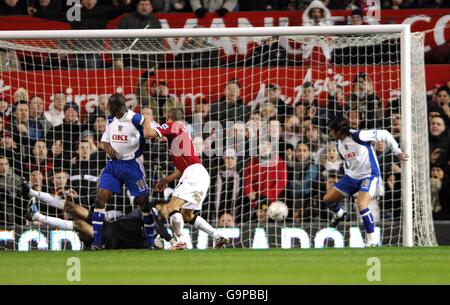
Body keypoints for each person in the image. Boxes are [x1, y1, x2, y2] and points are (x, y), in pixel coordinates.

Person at [143, 108, 230, 249]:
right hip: (200, 175)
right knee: (187, 214)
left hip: (193, 174)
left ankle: (181, 241)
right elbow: (180, 169)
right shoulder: (182, 131)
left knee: (172, 207)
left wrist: (146, 120)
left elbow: (148, 134)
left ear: (168, 116)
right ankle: (217, 236)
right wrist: (166, 180)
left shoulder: (171, 125)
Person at [323, 117, 409, 246]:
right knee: (327, 199)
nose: (330, 133)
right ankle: (340, 214)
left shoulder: (359, 135)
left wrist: (397, 151)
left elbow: (384, 134)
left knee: (362, 205)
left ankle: (372, 241)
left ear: (338, 131)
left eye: (331, 131)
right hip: (351, 177)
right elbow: (348, 163)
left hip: (369, 176)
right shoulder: (338, 144)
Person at [91, 94, 155, 250]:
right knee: (100, 199)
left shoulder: (134, 118)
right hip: (112, 166)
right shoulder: (111, 120)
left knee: (143, 203)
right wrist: (108, 149)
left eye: (110, 106)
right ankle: (97, 243)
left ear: (117, 107)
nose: (107, 109)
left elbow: (150, 125)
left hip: (132, 165)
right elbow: (104, 141)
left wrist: (151, 131)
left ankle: (151, 241)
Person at [22, 183, 174, 249]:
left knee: (79, 224)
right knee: (73, 207)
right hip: (109, 226)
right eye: (168, 208)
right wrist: (170, 239)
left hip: (112, 239)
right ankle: (31, 192)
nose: (169, 211)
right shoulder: (148, 211)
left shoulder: (155, 232)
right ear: (159, 206)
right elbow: (155, 224)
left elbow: (148, 242)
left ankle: (37, 216)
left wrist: (156, 243)